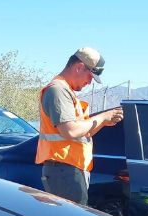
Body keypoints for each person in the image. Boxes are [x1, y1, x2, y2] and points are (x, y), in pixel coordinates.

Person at [36, 47, 123, 205]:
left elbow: (81, 132)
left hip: (68, 170)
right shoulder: (57, 90)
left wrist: (103, 122)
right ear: (79, 67)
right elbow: (70, 130)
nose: (90, 82)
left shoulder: (66, 91)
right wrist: (102, 116)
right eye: (90, 76)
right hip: (64, 170)